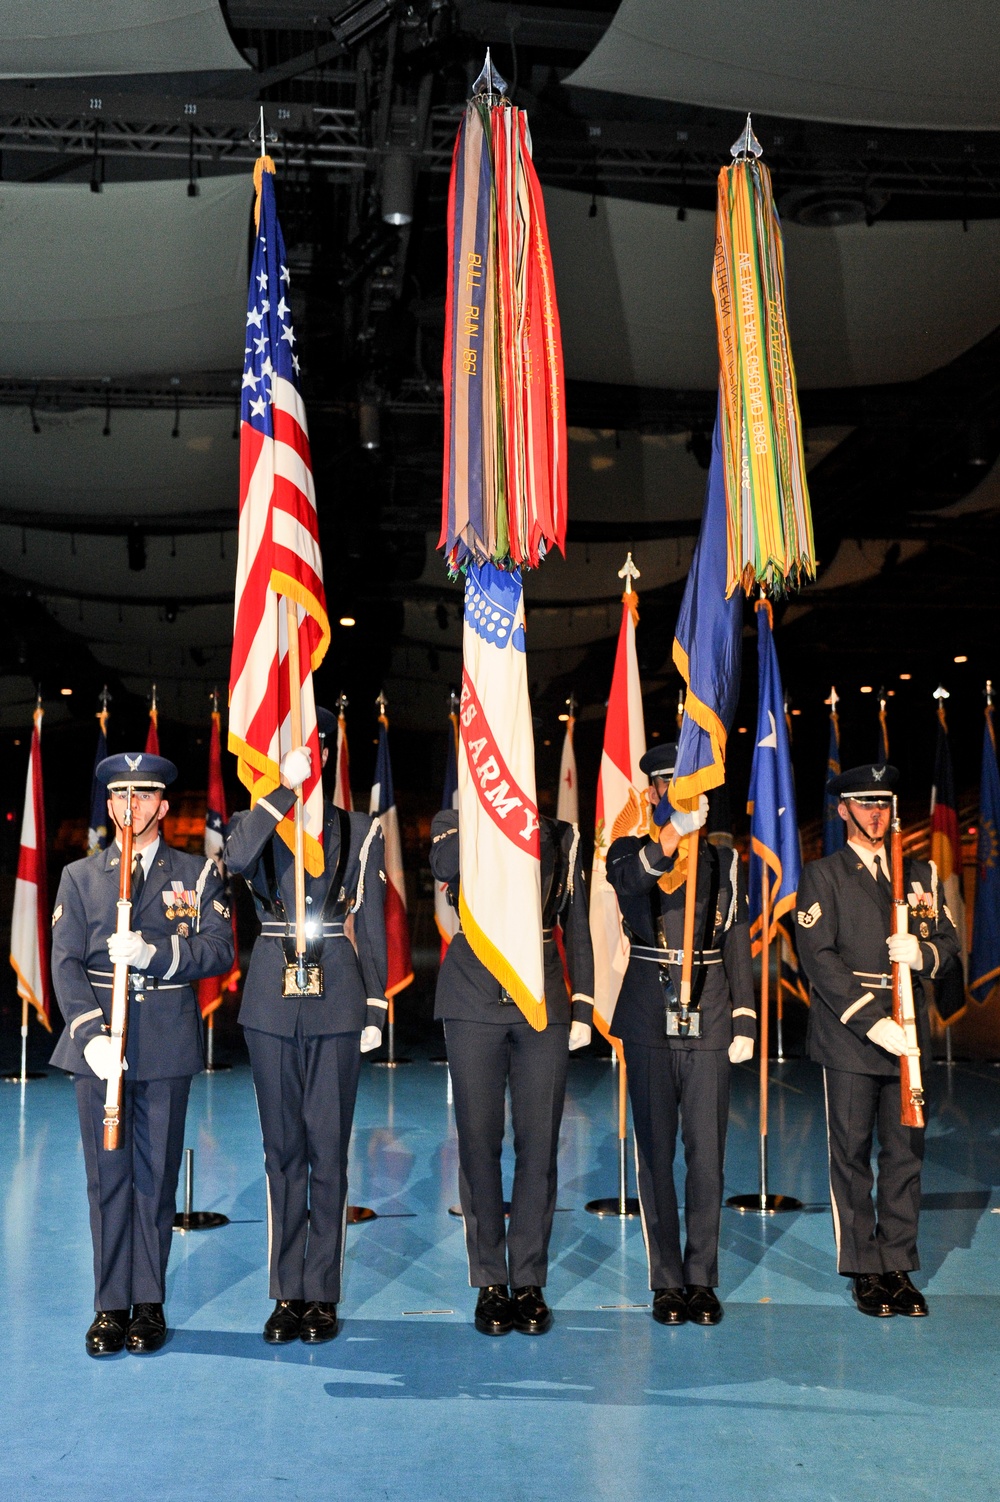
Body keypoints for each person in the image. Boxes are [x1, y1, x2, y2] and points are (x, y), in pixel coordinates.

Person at [50, 752, 234, 1357]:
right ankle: (109, 1305)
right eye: (120, 798)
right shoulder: (80, 877)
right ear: (109, 806)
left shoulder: (198, 873)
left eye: (143, 797)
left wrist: (156, 952)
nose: (131, 808)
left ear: (162, 805)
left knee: (154, 1181)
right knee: (107, 1179)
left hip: (163, 1042)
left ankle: (148, 1303)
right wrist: (89, 1035)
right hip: (100, 1046)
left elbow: (218, 950)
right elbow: (65, 964)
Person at [224, 708, 387, 1346]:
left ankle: (321, 1292)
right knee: (280, 1150)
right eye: (294, 749)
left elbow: (369, 920)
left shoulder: (356, 827)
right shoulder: (253, 822)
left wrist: (374, 1005)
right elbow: (236, 861)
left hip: (337, 995)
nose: (307, 757)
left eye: (313, 749)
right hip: (269, 994)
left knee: (328, 1148)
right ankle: (285, 1290)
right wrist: (281, 791)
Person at [795, 764, 960, 1318]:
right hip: (853, 1037)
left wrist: (923, 955)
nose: (876, 814)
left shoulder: (918, 875)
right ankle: (865, 1270)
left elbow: (947, 942)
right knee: (851, 1155)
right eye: (864, 803)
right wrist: (872, 1021)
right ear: (842, 809)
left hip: (909, 1033)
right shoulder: (823, 875)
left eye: (884, 804)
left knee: (906, 1155)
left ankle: (898, 1266)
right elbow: (819, 959)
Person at [606, 742, 756, 1327]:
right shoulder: (627, 844)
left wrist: (744, 1018)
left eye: (692, 783)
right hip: (648, 1011)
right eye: (671, 784)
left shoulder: (722, 856)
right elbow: (631, 881)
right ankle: (667, 1281)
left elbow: (737, 939)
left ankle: (702, 1278)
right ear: (652, 792)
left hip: (711, 1013)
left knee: (708, 1157)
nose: (682, 794)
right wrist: (671, 836)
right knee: (655, 1156)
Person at [430, 810, 594, 1336]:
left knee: (540, 1143)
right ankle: (489, 1281)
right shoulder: (455, 820)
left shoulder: (562, 835)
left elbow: (578, 921)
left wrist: (585, 1004)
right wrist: (484, 817)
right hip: (473, 995)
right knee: (478, 1142)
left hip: (541, 999)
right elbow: (442, 865)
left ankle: (527, 1279)